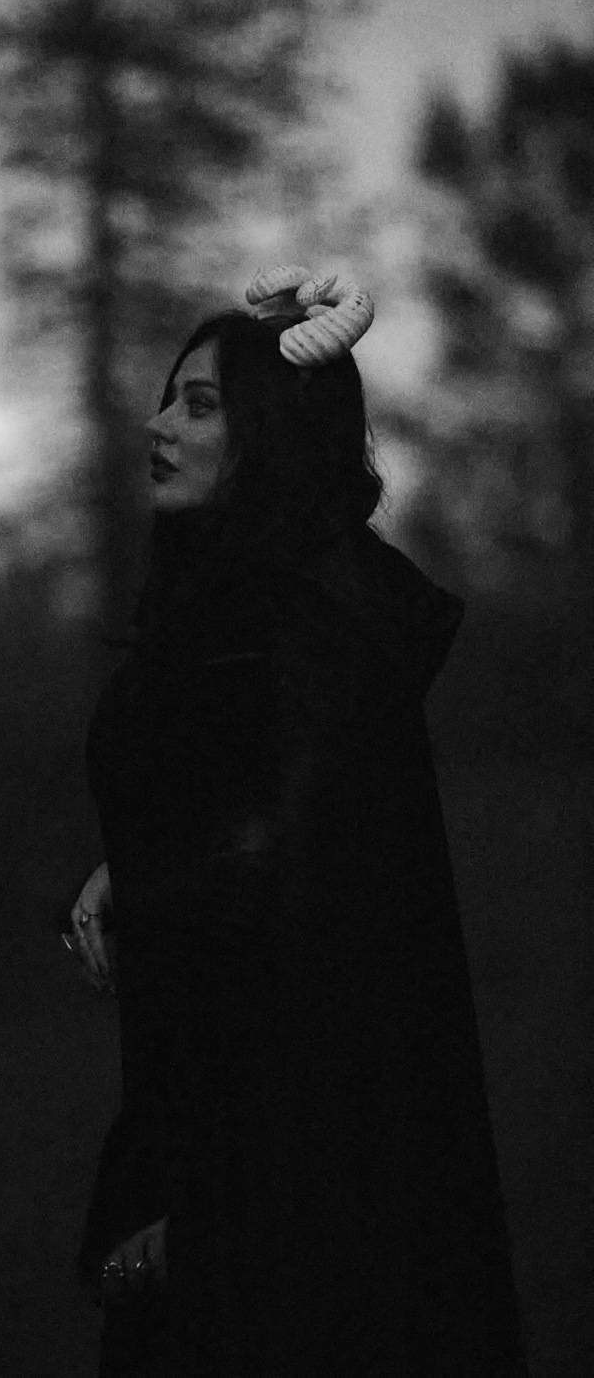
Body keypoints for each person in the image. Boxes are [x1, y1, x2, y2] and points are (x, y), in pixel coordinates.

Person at [64, 267, 528, 1376]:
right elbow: (257, 826)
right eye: (170, 399)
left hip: (268, 1188)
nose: (158, 426)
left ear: (269, 439)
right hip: (222, 1149)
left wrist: (204, 1213)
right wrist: (137, 866)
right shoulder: (248, 610)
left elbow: (309, 944)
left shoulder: (302, 634)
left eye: (200, 405)